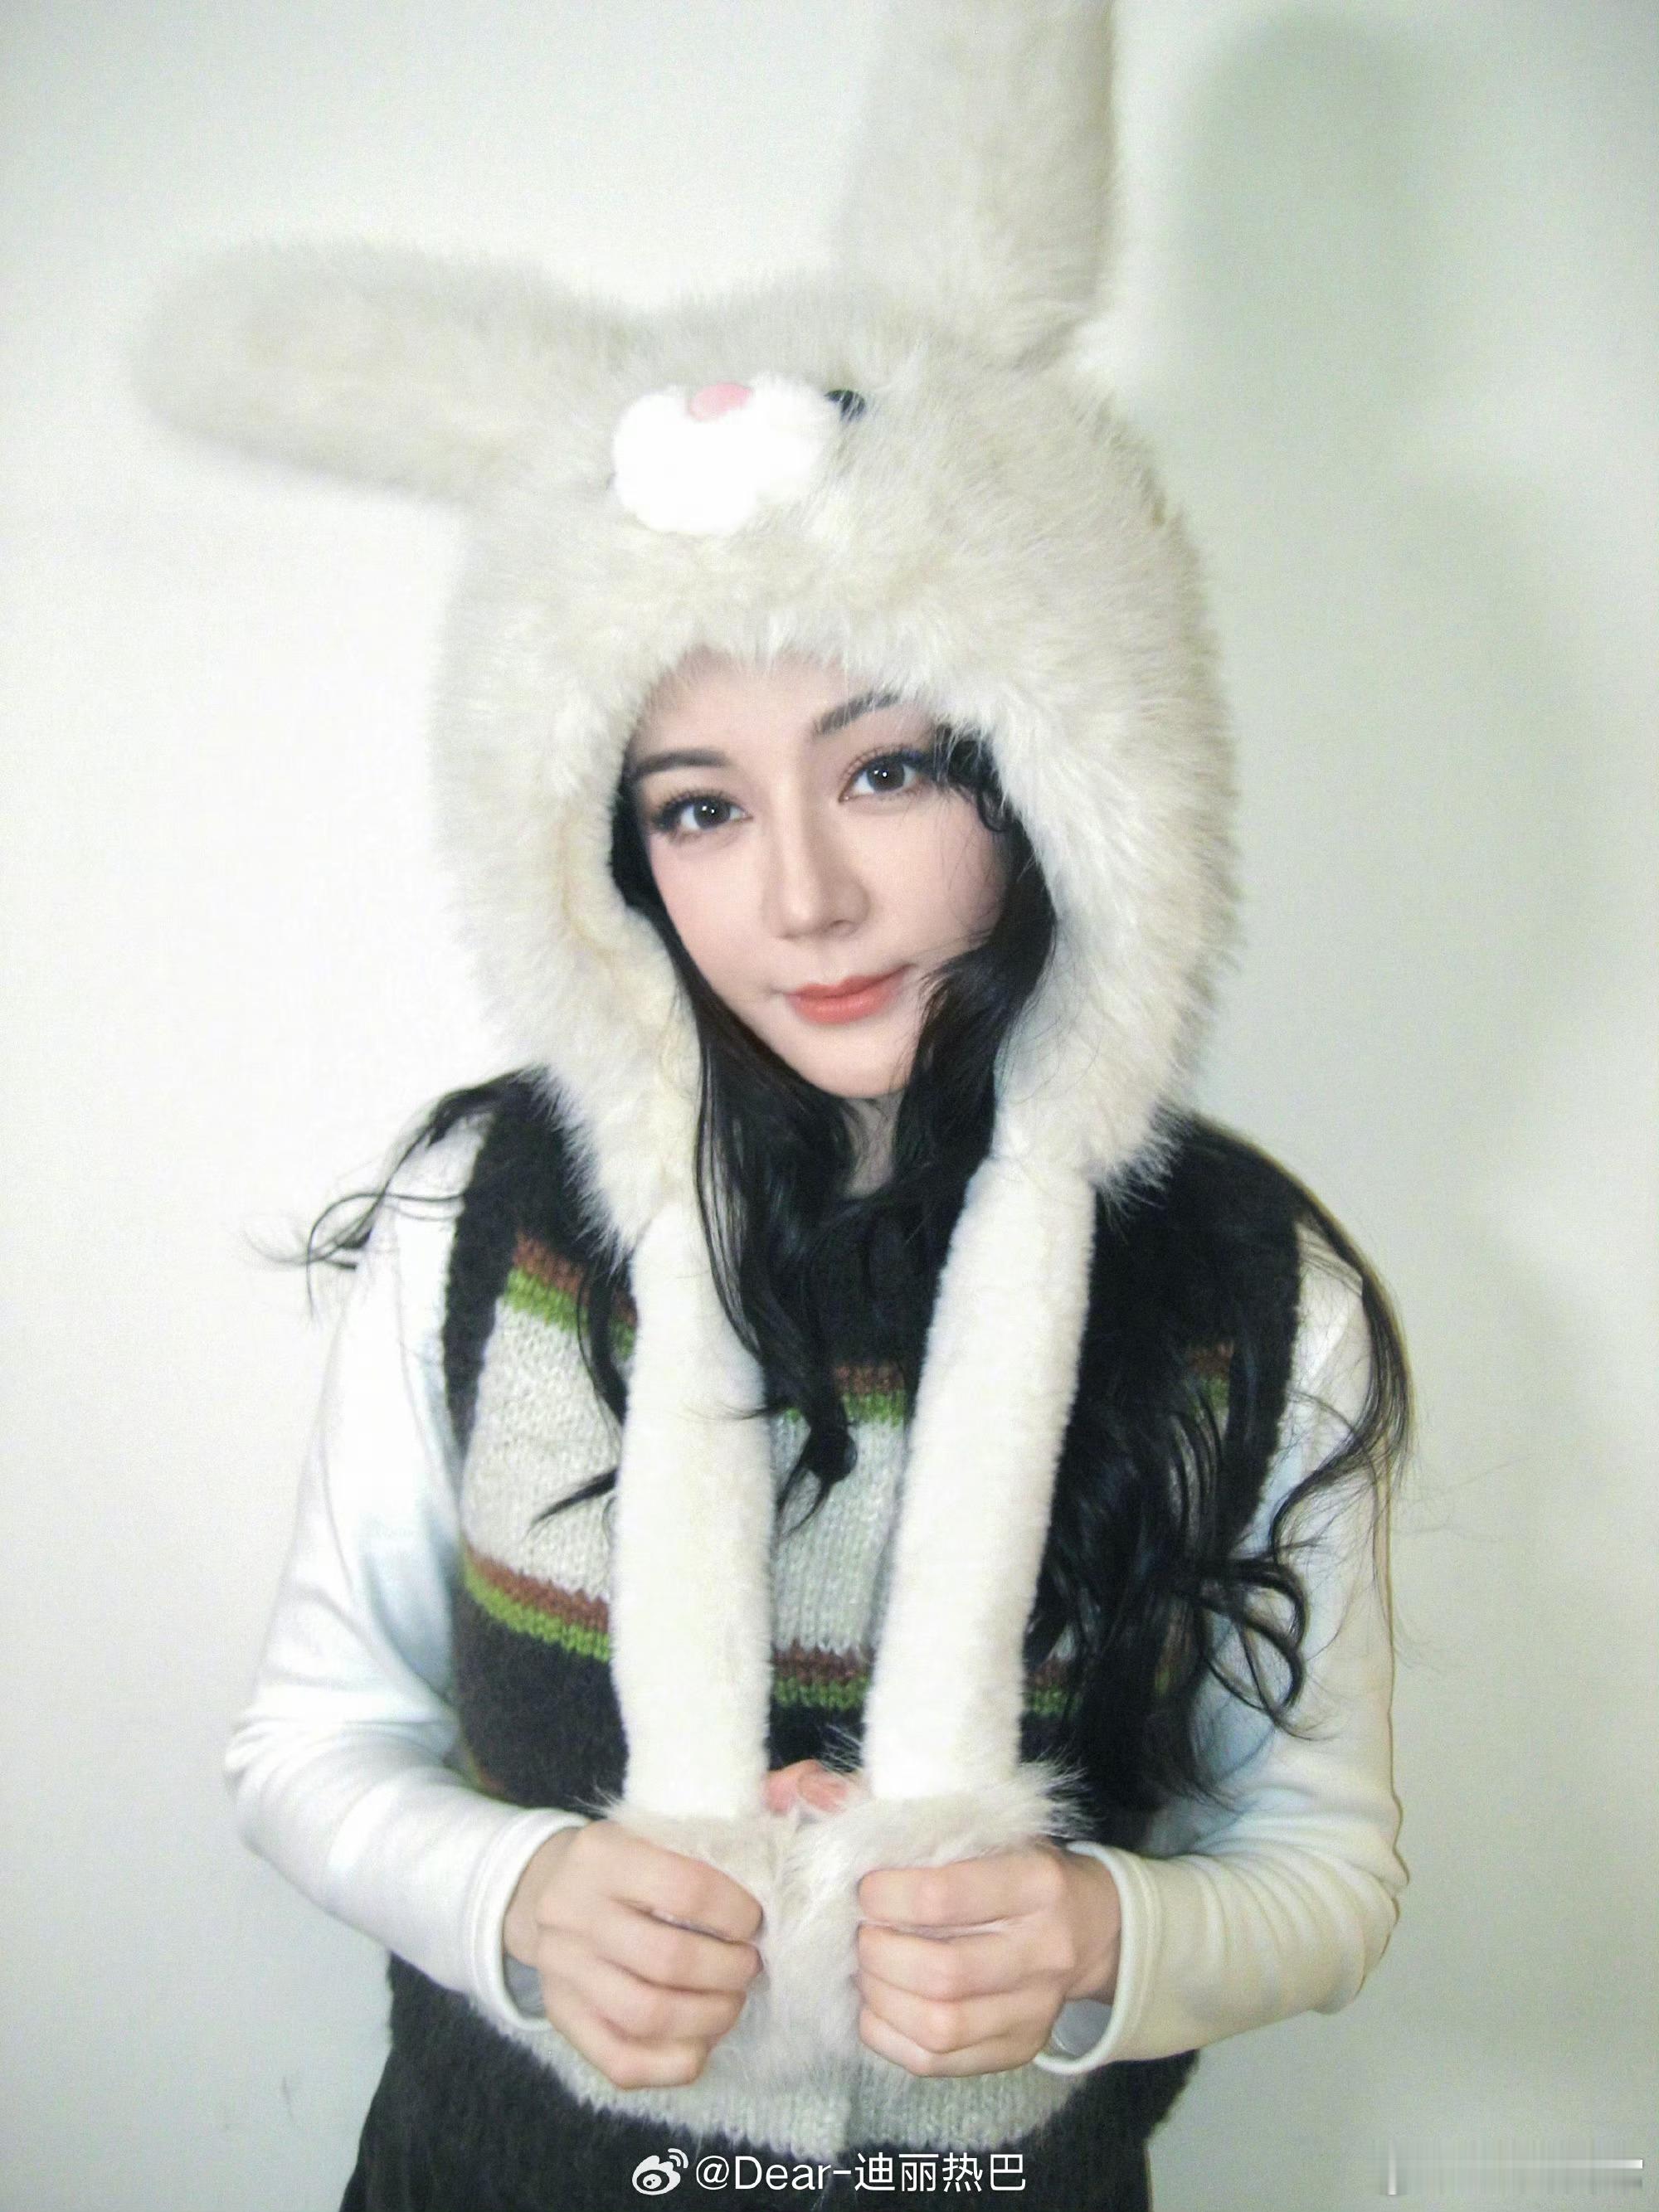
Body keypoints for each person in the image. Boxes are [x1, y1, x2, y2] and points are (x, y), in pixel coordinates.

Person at [144, 7, 1411, 2206]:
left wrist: (1106, 1940)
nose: (805, 896)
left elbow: (1328, 1858)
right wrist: (516, 1897)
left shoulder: (1242, 1286)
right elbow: (308, 1738)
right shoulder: (489, 1214)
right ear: (608, 850)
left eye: (889, 767)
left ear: (1059, 768)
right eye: (703, 807)